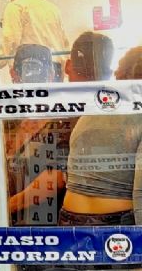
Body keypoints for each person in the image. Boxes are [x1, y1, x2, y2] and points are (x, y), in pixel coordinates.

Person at [7, 34, 115, 228]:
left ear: (54, 73)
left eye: (39, 72)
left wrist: (7, 206)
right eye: (26, 72)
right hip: (20, 225)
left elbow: (57, 177)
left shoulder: (67, 117)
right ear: (13, 74)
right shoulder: (7, 118)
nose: (32, 80)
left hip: (52, 226)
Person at [60, 46, 142, 228]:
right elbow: (141, 191)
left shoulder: (96, 107)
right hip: (114, 221)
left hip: (69, 217)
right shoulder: (138, 112)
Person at [0, 0, 70, 81]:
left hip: (29, 67)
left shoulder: (15, 6)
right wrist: (63, 69)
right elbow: (64, 42)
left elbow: (10, 39)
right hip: (55, 67)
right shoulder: (52, 8)